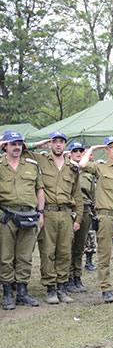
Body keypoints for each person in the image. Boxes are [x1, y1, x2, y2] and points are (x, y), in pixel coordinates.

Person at [27, 132, 83, 305]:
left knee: (65, 251)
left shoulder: (71, 167)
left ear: (65, 145)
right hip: (48, 213)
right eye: (54, 142)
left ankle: (62, 286)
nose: (58, 145)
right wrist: (37, 144)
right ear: (50, 144)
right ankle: (50, 288)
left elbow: (77, 195)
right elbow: (17, 149)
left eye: (61, 142)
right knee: (48, 251)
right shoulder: (41, 160)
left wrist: (78, 219)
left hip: (66, 214)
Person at [80, 136, 113, 303]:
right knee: (104, 254)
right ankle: (106, 289)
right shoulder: (100, 167)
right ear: (106, 150)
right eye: (110, 147)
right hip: (106, 217)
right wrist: (92, 149)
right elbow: (81, 165)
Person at [0, 131, 44, 310]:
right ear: (5, 146)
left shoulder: (32, 165)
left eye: (19, 144)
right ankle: (8, 292)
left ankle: (23, 292)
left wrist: (40, 212)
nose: (17, 147)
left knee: (25, 256)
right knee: (5, 257)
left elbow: (39, 190)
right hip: (6, 216)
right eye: (13, 144)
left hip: (29, 215)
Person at [66, 141, 95, 293]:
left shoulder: (88, 172)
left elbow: (93, 194)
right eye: (75, 151)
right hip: (70, 211)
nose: (78, 153)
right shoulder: (65, 169)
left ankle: (77, 276)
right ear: (70, 153)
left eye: (80, 151)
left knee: (79, 247)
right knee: (67, 246)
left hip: (85, 211)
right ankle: (68, 278)